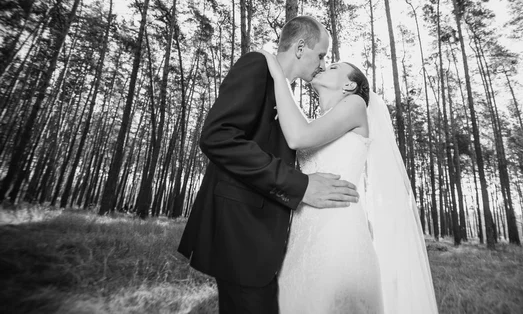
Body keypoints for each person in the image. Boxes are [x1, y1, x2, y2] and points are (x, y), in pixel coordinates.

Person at [177, 16, 360, 314]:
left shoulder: (282, 91)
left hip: (261, 239)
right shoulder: (256, 66)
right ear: (301, 48)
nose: (323, 64)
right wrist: (301, 186)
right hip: (240, 232)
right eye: (322, 55)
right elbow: (217, 136)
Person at [258, 50, 439, 313]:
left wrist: (279, 76)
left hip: (338, 235)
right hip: (304, 235)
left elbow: (298, 137)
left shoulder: (355, 105)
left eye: (332, 66)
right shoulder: (321, 121)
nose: (322, 67)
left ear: (349, 85)